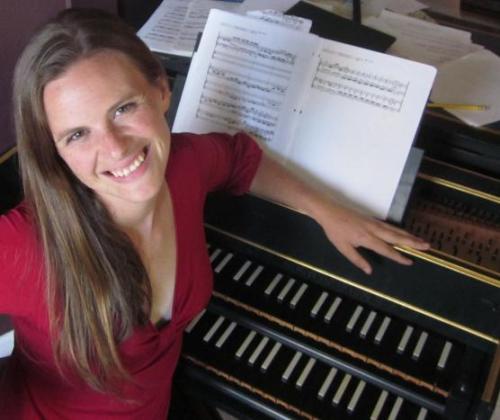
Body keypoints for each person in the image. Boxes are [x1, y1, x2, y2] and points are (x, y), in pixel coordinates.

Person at [0, 8, 429, 419]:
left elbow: (242, 159)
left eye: (123, 109)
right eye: (77, 134)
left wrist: (327, 209)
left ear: (160, 90)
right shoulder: (22, 245)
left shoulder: (186, 164)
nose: (114, 148)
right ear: (53, 151)